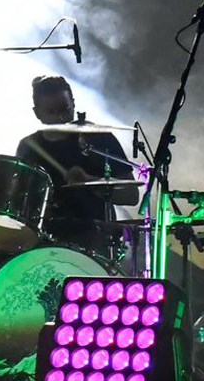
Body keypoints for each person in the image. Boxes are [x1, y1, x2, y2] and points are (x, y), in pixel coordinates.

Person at [15, 75, 133, 254]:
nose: (61, 118)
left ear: (73, 103)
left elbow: (131, 195)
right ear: (37, 113)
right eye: (51, 112)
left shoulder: (100, 139)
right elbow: (20, 202)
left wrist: (89, 181)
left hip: (95, 241)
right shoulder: (29, 147)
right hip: (45, 242)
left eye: (65, 110)